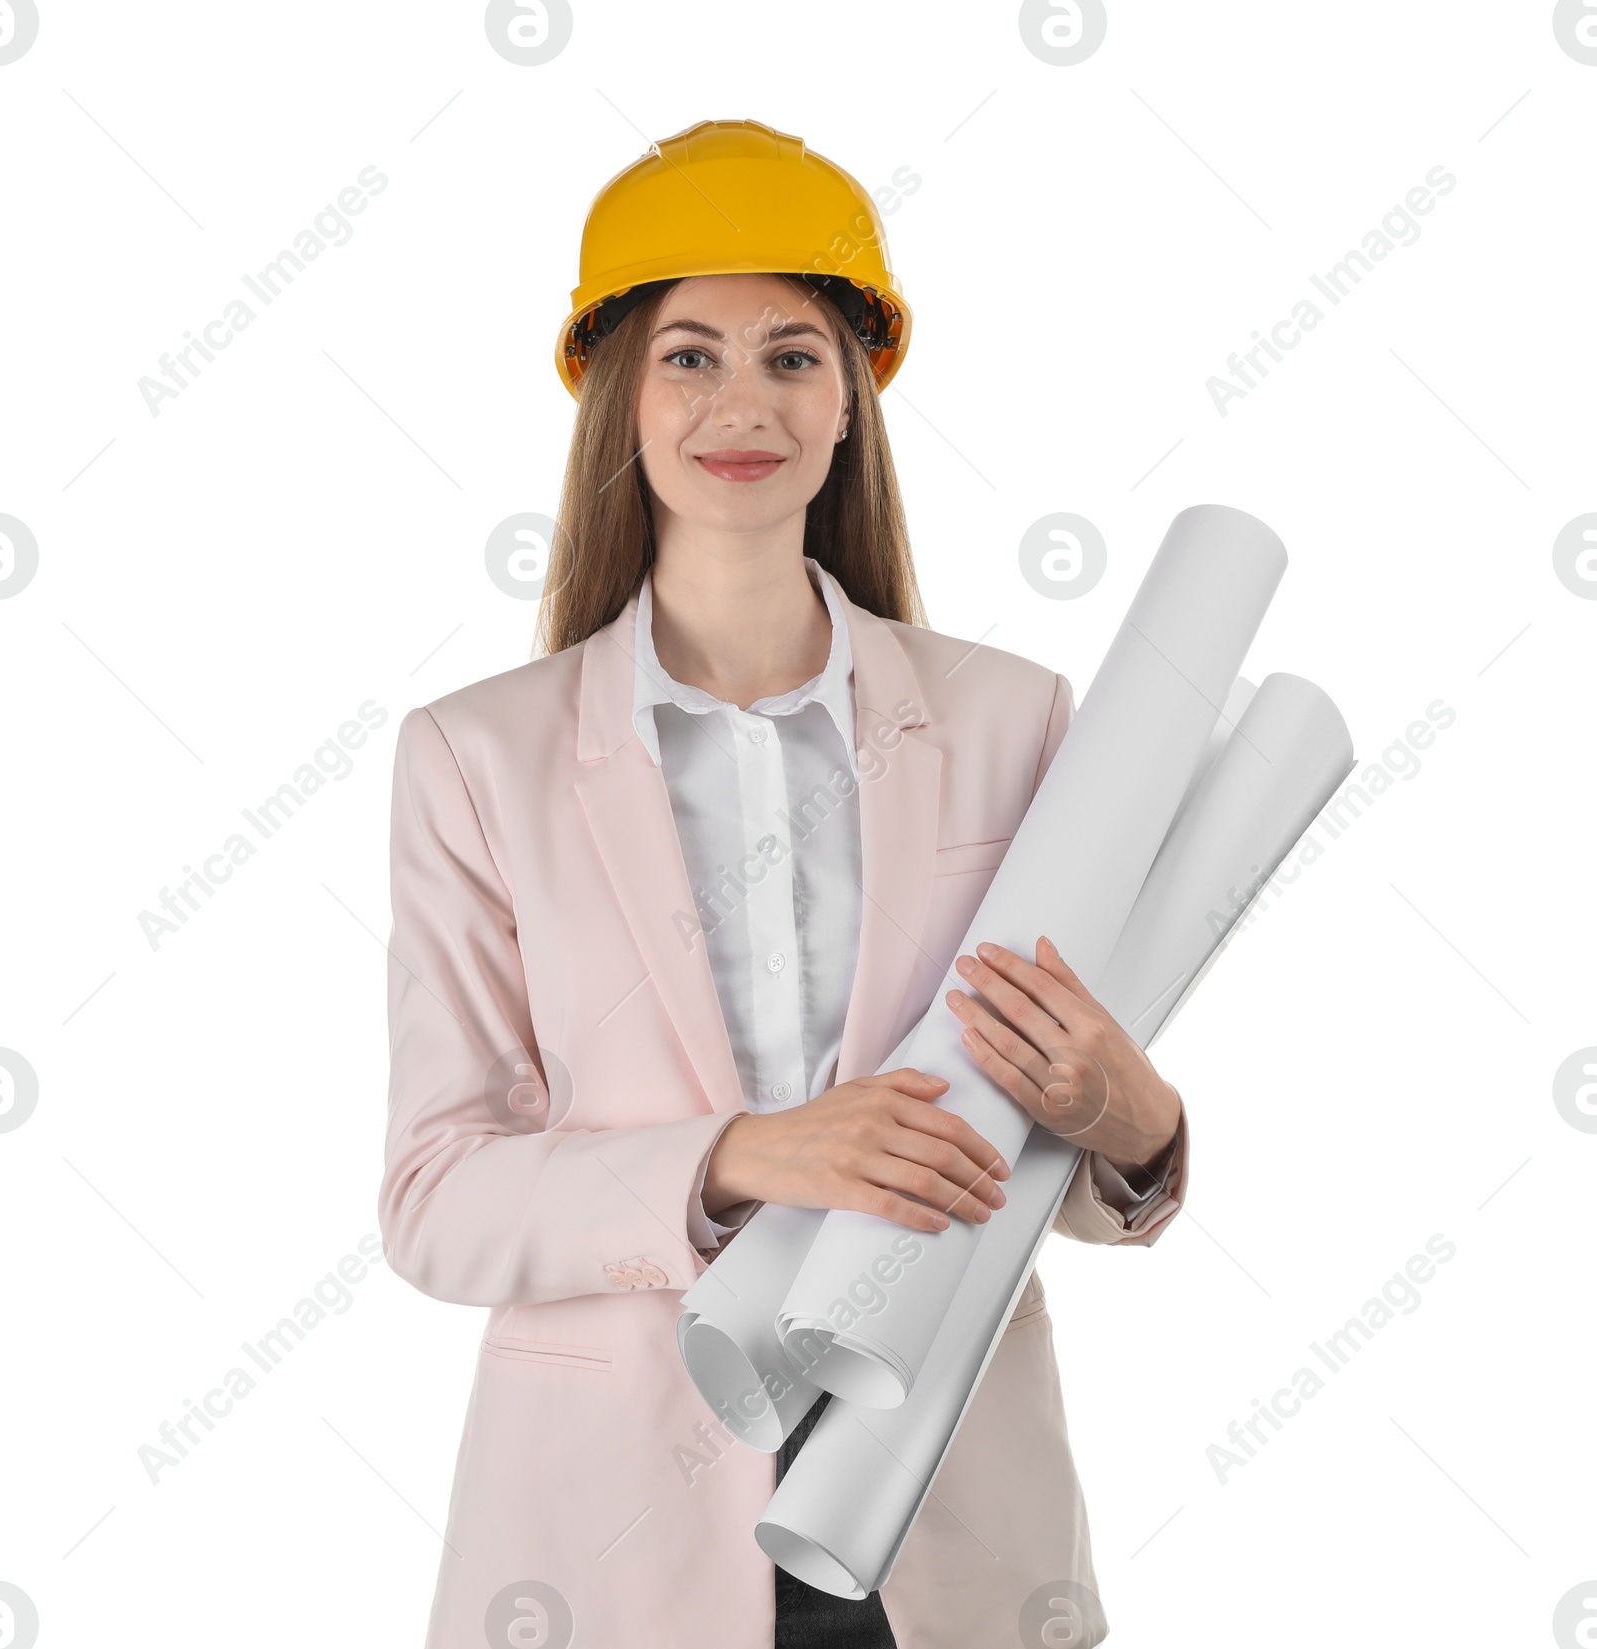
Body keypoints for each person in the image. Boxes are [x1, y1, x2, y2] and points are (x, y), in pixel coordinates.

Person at [379, 119, 1187, 1649]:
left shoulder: (1015, 719)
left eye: (792, 356)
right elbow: (435, 1200)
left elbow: (1067, 1174)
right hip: (615, 1526)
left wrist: (1136, 1126)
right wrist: (748, 1153)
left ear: (850, 402)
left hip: (945, 1502)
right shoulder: (478, 756)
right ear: (617, 395)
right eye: (689, 354)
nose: (740, 401)